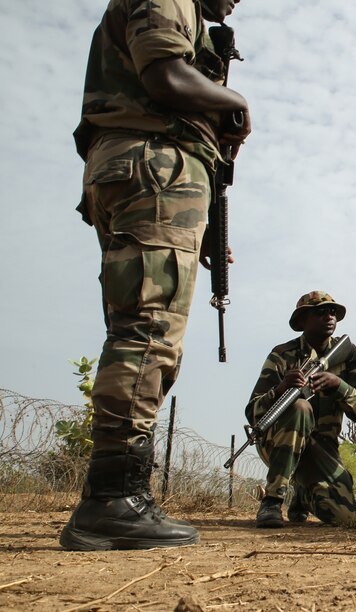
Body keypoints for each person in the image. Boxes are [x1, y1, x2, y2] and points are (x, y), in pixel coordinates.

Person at [60, 0, 251, 551]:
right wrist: (234, 99)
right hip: (154, 164)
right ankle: (112, 499)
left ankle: (112, 497)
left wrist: (206, 227)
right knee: (148, 332)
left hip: (147, 170)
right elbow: (164, 74)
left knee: (141, 326)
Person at [245, 292, 356, 528]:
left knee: (344, 517)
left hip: (322, 448)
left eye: (333, 312)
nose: (329, 317)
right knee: (300, 407)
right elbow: (253, 410)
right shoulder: (282, 354)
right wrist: (281, 388)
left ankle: (303, 494)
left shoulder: (349, 355)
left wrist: (339, 386)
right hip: (278, 443)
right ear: (302, 320)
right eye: (320, 312)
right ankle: (272, 500)